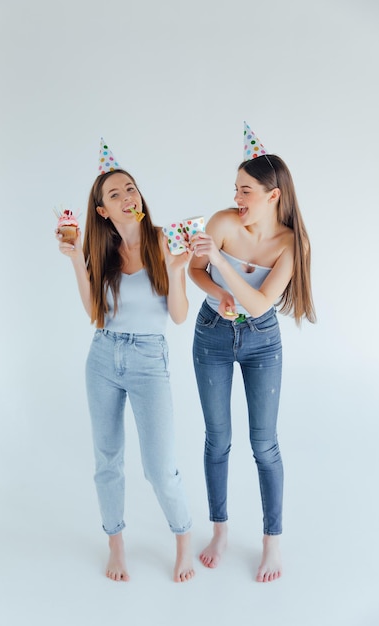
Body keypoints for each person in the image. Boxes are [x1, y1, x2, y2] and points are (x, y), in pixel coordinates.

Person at [56, 139, 195, 583]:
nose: (126, 197)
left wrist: (176, 272)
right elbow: (95, 315)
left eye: (130, 189)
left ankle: (183, 538)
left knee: (159, 466)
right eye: (114, 195)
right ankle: (116, 543)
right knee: (108, 459)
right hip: (103, 356)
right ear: (102, 212)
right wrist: (77, 261)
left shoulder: (163, 241)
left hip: (149, 358)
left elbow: (176, 315)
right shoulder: (103, 251)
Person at [188, 124, 316, 583]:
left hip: (262, 340)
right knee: (217, 439)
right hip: (212, 334)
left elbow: (261, 304)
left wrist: (223, 266)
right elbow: (196, 271)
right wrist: (217, 293)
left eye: (245, 189)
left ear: (273, 195)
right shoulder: (222, 222)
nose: (237, 197)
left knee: (264, 445)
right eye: (235, 188)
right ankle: (219, 532)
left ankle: (271, 543)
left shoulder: (291, 243)